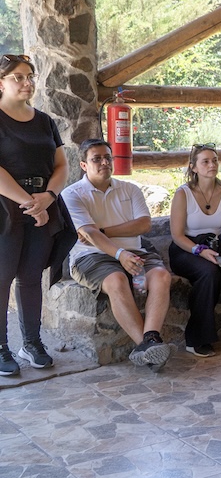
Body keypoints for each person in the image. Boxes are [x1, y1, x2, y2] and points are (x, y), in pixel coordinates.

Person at [63, 139, 173, 371]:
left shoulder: (130, 189)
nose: (104, 163)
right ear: (83, 165)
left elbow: (143, 224)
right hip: (90, 256)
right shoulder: (72, 194)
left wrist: (104, 232)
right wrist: (119, 253)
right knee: (116, 280)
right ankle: (146, 347)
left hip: (135, 252)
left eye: (107, 157)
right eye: (97, 159)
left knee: (161, 276)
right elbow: (89, 234)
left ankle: (150, 339)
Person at [0, 54, 72, 376]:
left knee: (31, 277)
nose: (27, 82)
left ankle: (31, 342)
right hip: (6, 208)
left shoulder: (45, 121)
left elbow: (62, 165)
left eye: (30, 76)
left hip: (43, 204)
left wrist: (49, 197)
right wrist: (31, 203)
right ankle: (0, 347)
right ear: (1, 83)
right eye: (18, 77)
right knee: (1, 278)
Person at [168, 143, 221, 356]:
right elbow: (177, 235)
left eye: (214, 160)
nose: (212, 165)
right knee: (209, 272)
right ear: (193, 167)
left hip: (216, 244)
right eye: (205, 161)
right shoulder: (183, 194)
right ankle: (197, 338)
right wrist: (199, 251)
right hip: (186, 248)